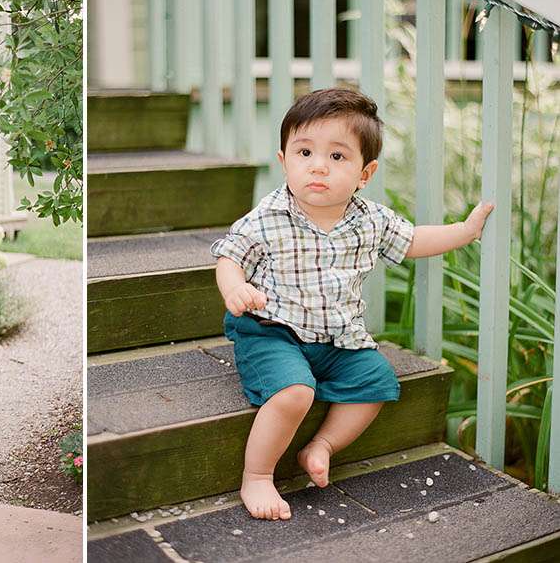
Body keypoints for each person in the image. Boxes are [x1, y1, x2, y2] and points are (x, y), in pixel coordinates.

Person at [211, 88, 494, 522]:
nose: (318, 166)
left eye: (338, 157)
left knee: (377, 378)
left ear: (365, 173)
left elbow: (414, 240)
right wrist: (234, 289)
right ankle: (257, 475)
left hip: (339, 337)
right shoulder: (266, 218)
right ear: (284, 160)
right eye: (304, 152)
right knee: (294, 392)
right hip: (273, 331)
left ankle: (322, 444)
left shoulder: (372, 219)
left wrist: (464, 230)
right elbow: (230, 256)